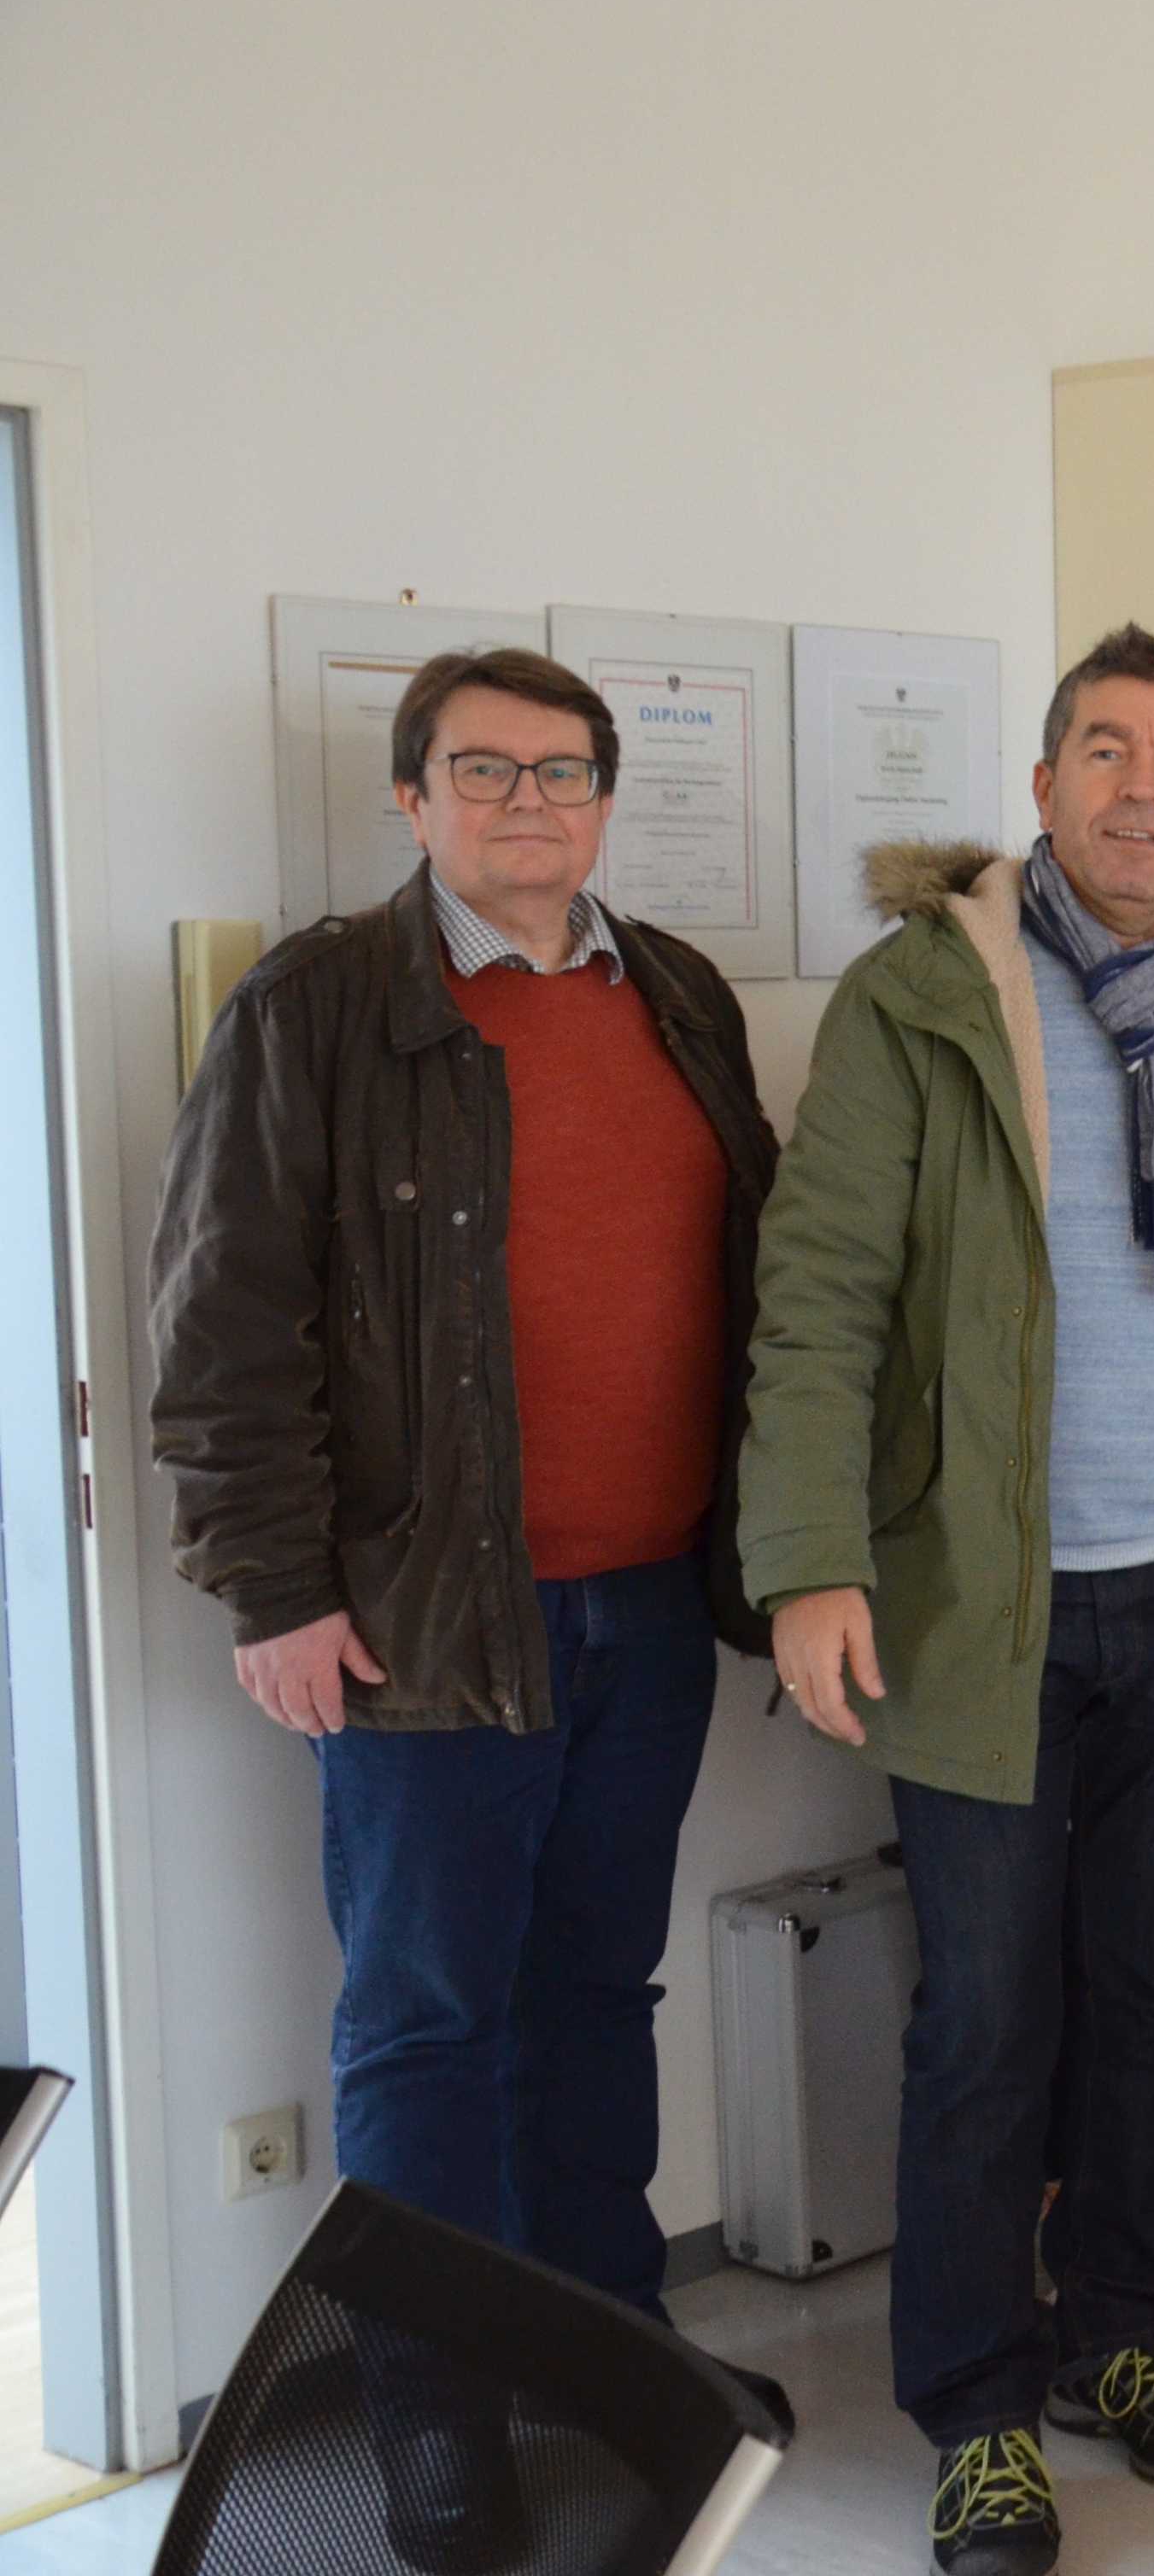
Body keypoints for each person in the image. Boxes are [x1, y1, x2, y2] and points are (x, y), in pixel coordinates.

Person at [736, 623, 1154, 2576]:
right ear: (1040, 784)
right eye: (1105, 748)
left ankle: (1117, 2336)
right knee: (990, 2018)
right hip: (980, 1603)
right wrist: (809, 1562)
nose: (1139, 788)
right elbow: (820, 1292)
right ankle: (981, 2413)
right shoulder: (926, 995)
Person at [150, 645, 783, 2571]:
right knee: (428, 2026)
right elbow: (223, 1321)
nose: (528, 803)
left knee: (596, 1992)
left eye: (562, 770)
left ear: (605, 798)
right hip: (423, 1620)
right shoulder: (322, 1005)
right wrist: (274, 1585)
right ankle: (431, 2418)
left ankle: (612, 2360)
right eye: (485, 770)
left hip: (646, 1605)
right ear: (412, 797)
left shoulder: (673, 993)